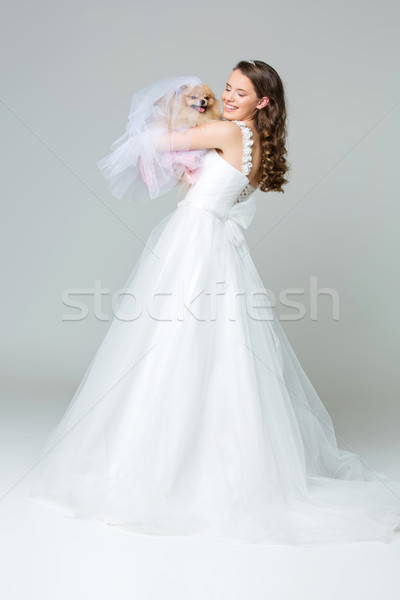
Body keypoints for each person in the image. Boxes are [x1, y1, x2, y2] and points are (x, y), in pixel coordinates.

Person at [29, 60, 400, 547]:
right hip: (217, 245)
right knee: (218, 348)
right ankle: (212, 456)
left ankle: (165, 471)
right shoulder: (258, 143)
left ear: (261, 101)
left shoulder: (226, 132)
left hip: (197, 241)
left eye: (239, 92)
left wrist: (172, 107)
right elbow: (212, 182)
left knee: (173, 340)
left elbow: (158, 144)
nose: (226, 97)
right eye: (225, 88)